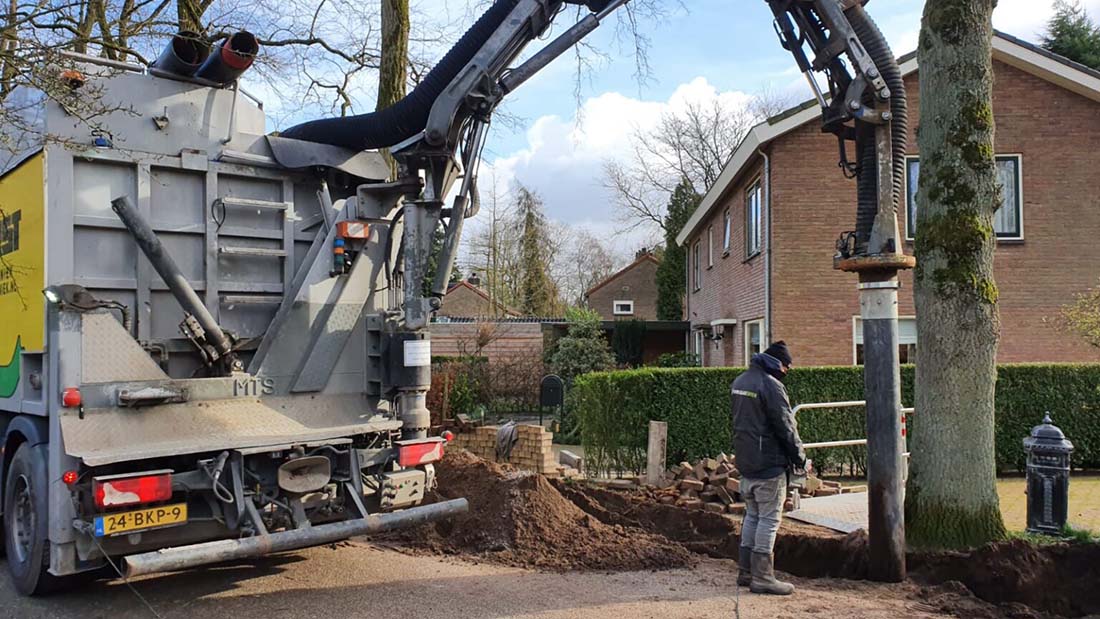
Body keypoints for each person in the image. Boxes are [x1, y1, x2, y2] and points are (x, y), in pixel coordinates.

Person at [731, 341, 806, 595]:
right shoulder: (770, 385)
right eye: (786, 366)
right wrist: (800, 458)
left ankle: (746, 572)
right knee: (769, 519)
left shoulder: (740, 381)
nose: (787, 371)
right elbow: (786, 426)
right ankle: (763, 577)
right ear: (778, 364)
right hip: (769, 465)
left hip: (747, 463)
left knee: (752, 515)